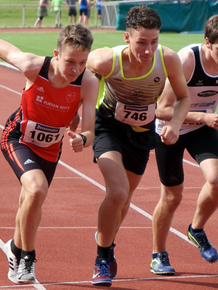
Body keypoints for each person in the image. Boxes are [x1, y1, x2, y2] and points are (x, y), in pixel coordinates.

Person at [0, 24, 98, 284]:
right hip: (18, 137)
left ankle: (14, 248)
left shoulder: (88, 81)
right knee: (36, 189)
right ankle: (27, 256)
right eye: (70, 61)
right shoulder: (33, 66)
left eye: (82, 63)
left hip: (50, 147)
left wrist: (83, 139)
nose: (75, 69)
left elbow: (89, 130)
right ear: (56, 54)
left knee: (31, 201)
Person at [86, 5, 190, 287]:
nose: (148, 49)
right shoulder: (106, 61)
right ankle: (102, 258)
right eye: (142, 42)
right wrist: (79, 125)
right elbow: (81, 84)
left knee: (126, 198)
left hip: (143, 133)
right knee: (117, 192)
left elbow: (182, 98)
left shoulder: (167, 59)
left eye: (154, 41)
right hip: (108, 127)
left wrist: (176, 125)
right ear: (127, 38)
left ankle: (107, 241)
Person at [150, 14, 218, 275]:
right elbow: (162, 109)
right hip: (171, 129)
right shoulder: (188, 59)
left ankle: (196, 229)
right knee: (172, 196)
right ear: (208, 42)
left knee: (217, 179)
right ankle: (159, 254)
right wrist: (202, 116)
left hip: (202, 128)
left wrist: (204, 119)